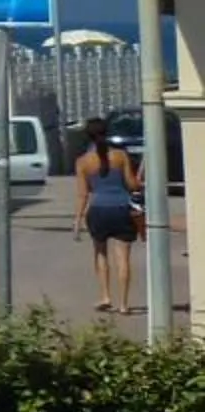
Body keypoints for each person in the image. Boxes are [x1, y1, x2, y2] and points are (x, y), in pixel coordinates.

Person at [71, 116, 143, 315]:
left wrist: (77, 220)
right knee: (123, 258)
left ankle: (105, 296)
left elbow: (83, 194)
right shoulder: (120, 156)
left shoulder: (83, 162)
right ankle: (124, 304)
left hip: (98, 210)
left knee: (100, 254)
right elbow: (132, 185)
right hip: (121, 209)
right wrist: (138, 181)